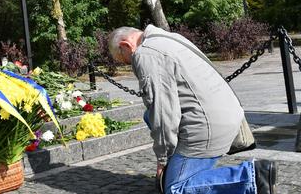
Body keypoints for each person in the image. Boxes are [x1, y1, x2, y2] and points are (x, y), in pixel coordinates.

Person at [108, 25, 278, 194]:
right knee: (147, 116)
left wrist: (162, 159)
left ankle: (252, 176)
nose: (129, 64)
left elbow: (162, 112)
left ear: (125, 45)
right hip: (228, 116)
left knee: (175, 188)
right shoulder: (169, 38)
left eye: (125, 60)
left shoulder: (146, 54)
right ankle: (188, 167)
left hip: (206, 126)